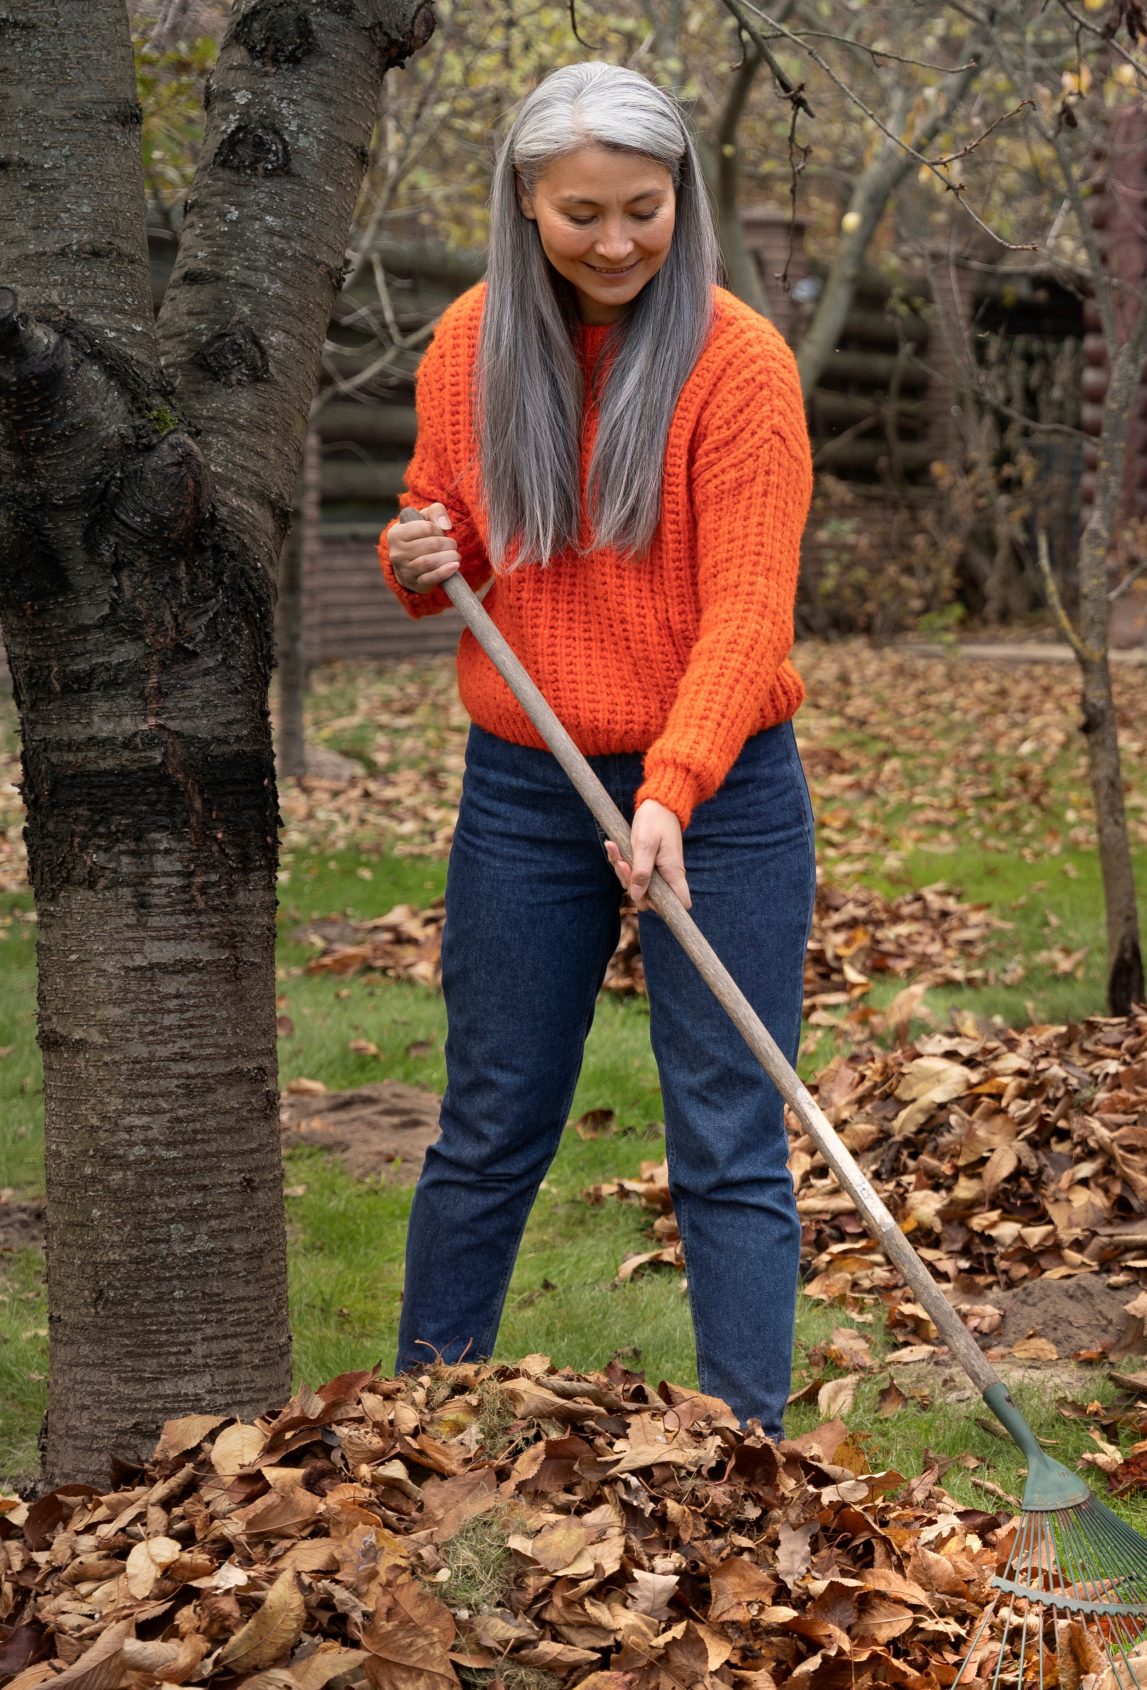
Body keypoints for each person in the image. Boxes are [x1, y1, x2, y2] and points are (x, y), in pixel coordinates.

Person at [378, 62, 816, 1431]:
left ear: (683, 195)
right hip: (525, 785)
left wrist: (675, 785)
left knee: (730, 1136)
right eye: (582, 213)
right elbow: (435, 529)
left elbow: (749, 610)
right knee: (492, 1117)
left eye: (644, 208)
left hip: (724, 789)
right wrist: (413, 554)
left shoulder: (737, 365)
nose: (618, 242)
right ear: (524, 203)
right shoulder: (468, 344)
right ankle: (415, 1421)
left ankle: (751, 1452)